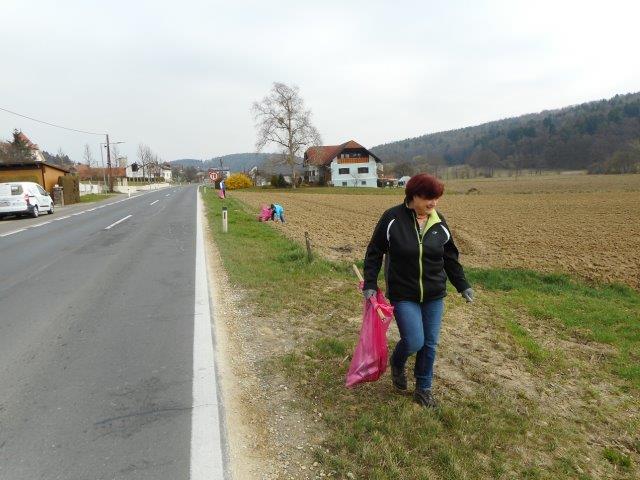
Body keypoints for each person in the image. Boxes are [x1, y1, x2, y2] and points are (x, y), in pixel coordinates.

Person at [362, 173, 474, 408]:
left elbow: (450, 257)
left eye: (437, 198)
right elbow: (375, 251)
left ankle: (423, 388)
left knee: (430, 343)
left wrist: (462, 284)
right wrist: (371, 283)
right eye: (428, 198)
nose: (433, 203)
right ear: (413, 195)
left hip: (434, 293)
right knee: (414, 341)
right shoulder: (392, 218)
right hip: (404, 293)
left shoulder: (438, 221)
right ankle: (398, 361)